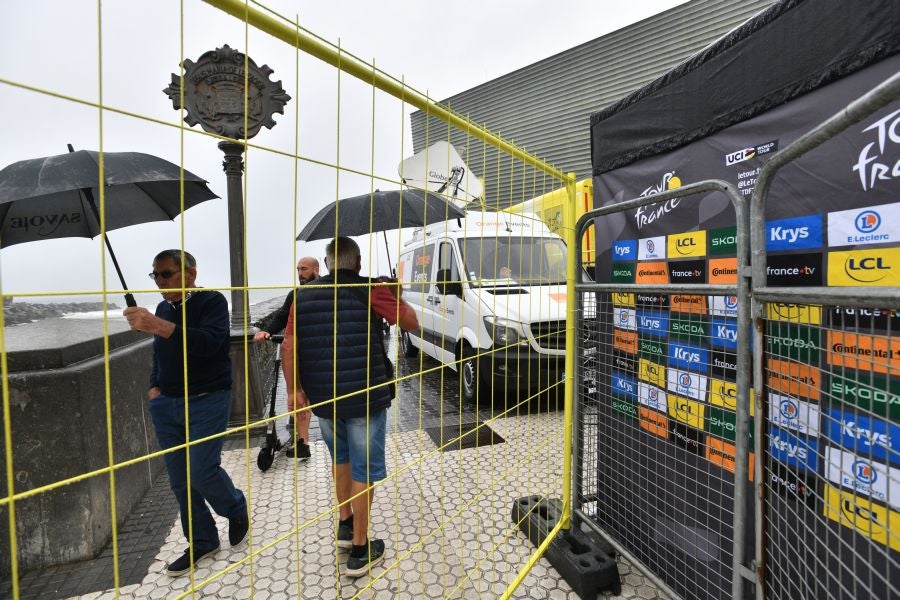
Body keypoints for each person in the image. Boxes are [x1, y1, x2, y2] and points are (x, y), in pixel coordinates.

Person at [287, 237, 417, 577]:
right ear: (357, 263)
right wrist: (395, 293)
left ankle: (345, 524)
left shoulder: (304, 294)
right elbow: (411, 323)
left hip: (325, 399)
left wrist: (294, 389)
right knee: (364, 470)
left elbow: (289, 344)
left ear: (329, 264)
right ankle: (360, 548)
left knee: (340, 460)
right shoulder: (371, 289)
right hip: (365, 396)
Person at [123, 249, 248, 576]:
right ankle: (203, 540)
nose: (160, 282)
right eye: (156, 275)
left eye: (166, 274)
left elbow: (210, 343)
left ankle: (235, 507)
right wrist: (154, 386)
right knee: (180, 481)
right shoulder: (165, 307)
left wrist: (155, 324)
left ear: (190, 274)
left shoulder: (212, 301)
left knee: (203, 470)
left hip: (208, 399)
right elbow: (160, 354)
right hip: (167, 404)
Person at [253, 256, 320, 460]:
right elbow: (282, 316)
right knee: (300, 398)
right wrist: (266, 331)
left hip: (322, 353)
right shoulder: (295, 294)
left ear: (316, 270)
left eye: (304, 269)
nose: (300, 273)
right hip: (300, 354)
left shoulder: (327, 289)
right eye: (298, 269)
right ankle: (303, 443)